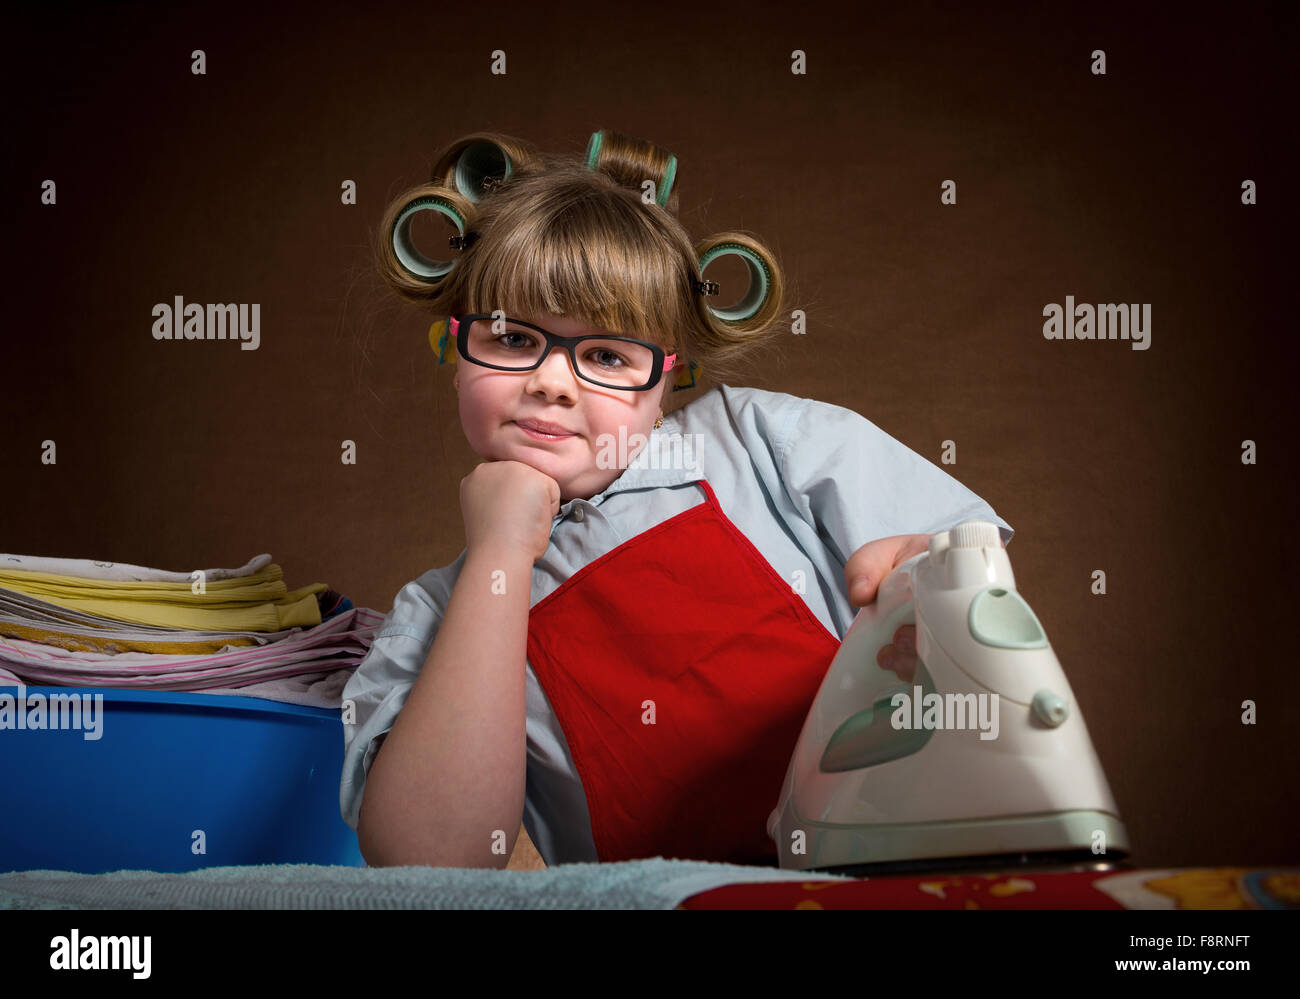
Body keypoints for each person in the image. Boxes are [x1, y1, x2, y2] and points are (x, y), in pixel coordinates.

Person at [340, 129, 1014, 869]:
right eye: (511, 339)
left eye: (605, 356)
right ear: (455, 348)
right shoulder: (434, 616)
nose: (553, 382)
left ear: (667, 380)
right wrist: (499, 554)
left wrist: (924, 579)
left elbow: (972, 578)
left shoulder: (761, 441)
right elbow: (434, 862)